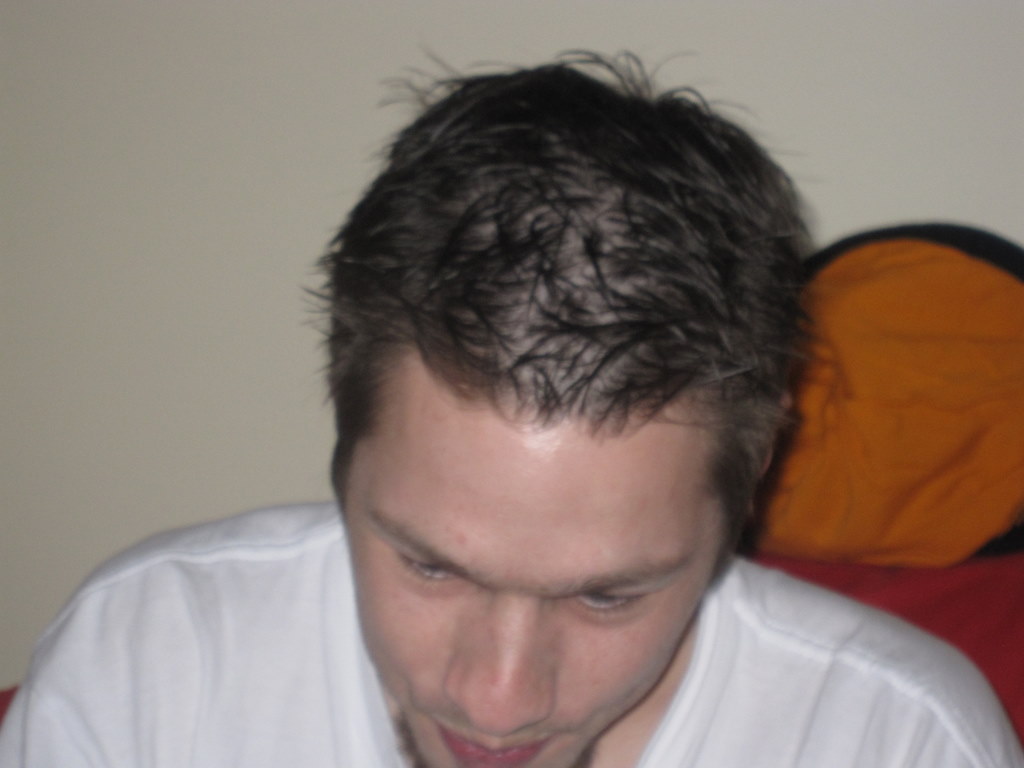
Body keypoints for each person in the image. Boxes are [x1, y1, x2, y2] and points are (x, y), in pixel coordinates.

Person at [0, 53, 1020, 768]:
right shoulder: (150, 657)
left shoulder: (899, 742)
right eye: (430, 566)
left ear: (749, 482)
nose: (496, 700)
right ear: (344, 449)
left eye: (607, 598)